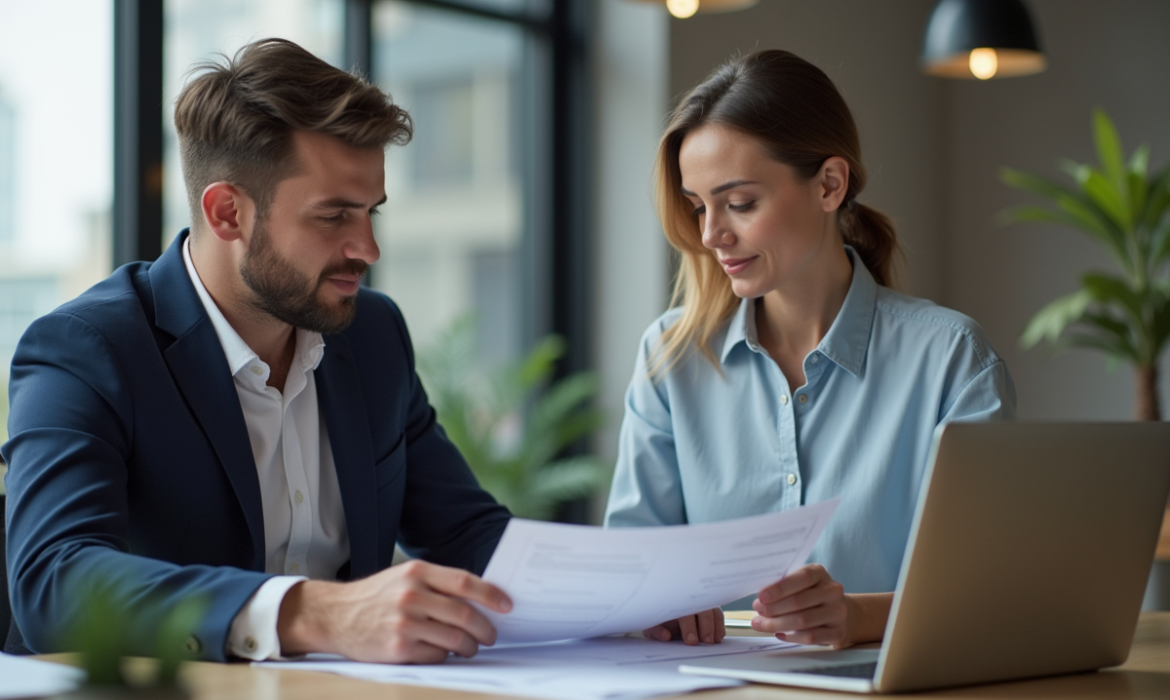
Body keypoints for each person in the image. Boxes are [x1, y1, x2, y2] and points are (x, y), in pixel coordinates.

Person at [2, 38, 514, 664]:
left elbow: (465, 532)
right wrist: (312, 611)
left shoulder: (372, 335)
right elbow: (54, 582)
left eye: (372, 212)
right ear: (227, 213)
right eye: (334, 217)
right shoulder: (86, 350)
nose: (369, 248)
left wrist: (637, 603)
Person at [604, 50, 1015, 650]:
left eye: (739, 203)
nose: (711, 234)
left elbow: (994, 592)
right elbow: (629, 567)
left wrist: (860, 617)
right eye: (698, 207)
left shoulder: (952, 359)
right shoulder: (671, 355)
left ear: (829, 185)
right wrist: (651, 604)